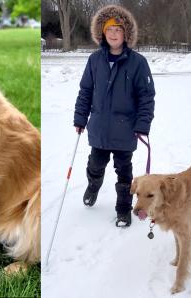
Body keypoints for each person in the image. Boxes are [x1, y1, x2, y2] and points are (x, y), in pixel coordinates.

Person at [73, 5, 155, 228]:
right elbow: (85, 91)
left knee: (124, 172)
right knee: (95, 164)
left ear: (126, 33)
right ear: (102, 33)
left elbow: (146, 97)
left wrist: (142, 124)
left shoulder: (138, 63)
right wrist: (80, 118)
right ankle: (93, 185)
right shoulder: (94, 60)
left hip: (125, 129)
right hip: (99, 127)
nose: (113, 34)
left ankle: (123, 209)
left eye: (118, 29)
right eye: (109, 30)